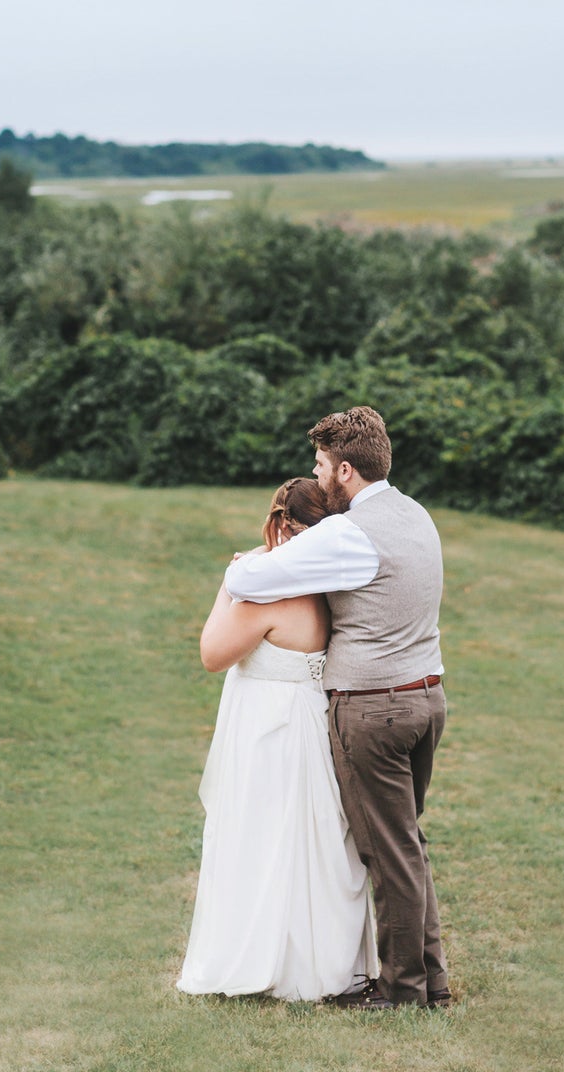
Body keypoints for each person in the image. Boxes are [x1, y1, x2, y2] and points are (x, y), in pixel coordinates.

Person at [224, 406, 449, 1010]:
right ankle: (432, 980)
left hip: (374, 710)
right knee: (408, 842)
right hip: (427, 698)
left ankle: (402, 991)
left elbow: (251, 583)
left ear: (344, 470)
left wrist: (245, 560)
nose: (316, 474)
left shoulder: (347, 533)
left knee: (387, 850)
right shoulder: (416, 514)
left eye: (321, 464)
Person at [177, 477, 377, 1001]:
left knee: (259, 838)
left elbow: (212, 654)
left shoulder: (262, 591)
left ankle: (255, 956)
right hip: (312, 724)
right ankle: (316, 963)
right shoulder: (333, 594)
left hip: (267, 729)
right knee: (309, 843)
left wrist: (231, 581)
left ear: (282, 524)